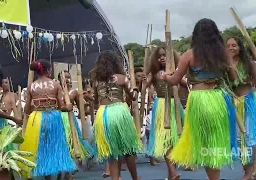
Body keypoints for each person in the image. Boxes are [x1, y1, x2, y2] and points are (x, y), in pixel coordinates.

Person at [165, 18, 238, 180]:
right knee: (214, 142)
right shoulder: (223, 55)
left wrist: (165, 76)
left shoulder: (189, 55)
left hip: (198, 101)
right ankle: (214, 177)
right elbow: (234, 78)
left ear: (196, 35)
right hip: (218, 99)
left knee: (204, 142)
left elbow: (175, 80)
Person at [227, 37, 256, 179]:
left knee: (252, 136)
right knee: (239, 138)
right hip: (233, 104)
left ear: (240, 47)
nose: (231, 48)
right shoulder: (223, 65)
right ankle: (247, 171)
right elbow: (230, 82)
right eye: (228, 46)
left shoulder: (250, 64)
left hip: (249, 103)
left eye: (234, 45)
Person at [19, 59, 76, 180]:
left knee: (43, 149)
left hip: (37, 119)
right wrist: (69, 107)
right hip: (54, 118)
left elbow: (27, 110)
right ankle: (61, 174)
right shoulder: (55, 84)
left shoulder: (31, 86)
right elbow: (62, 107)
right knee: (57, 146)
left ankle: (48, 177)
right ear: (48, 71)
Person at [92, 50, 141, 180]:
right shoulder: (122, 78)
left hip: (104, 114)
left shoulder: (96, 82)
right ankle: (135, 178)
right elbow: (134, 97)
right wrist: (136, 88)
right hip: (120, 112)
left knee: (112, 151)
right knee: (129, 148)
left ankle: (115, 178)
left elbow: (95, 101)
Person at [144, 46, 186, 180]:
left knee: (175, 140)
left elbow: (187, 84)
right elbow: (143, 87)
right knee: (166, 140)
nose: (162, 58)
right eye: (159, 56)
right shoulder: (155, 73)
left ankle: (171, 174)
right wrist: (143, 82)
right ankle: (173, 172)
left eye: (165, 55)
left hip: (175, 106)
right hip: (162, 106)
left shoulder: (176, 72)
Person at [57, 71, 94, 170]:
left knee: (72, 142)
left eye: (69, 77)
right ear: (60, 80)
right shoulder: (56, 90)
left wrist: (85, 118)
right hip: (58, 119)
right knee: (62, 143)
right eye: (65, 77)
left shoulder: (75, 92)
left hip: (70, 119)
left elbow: (81, 108)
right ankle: (64, 167)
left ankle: (71, 166)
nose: (68, 80)